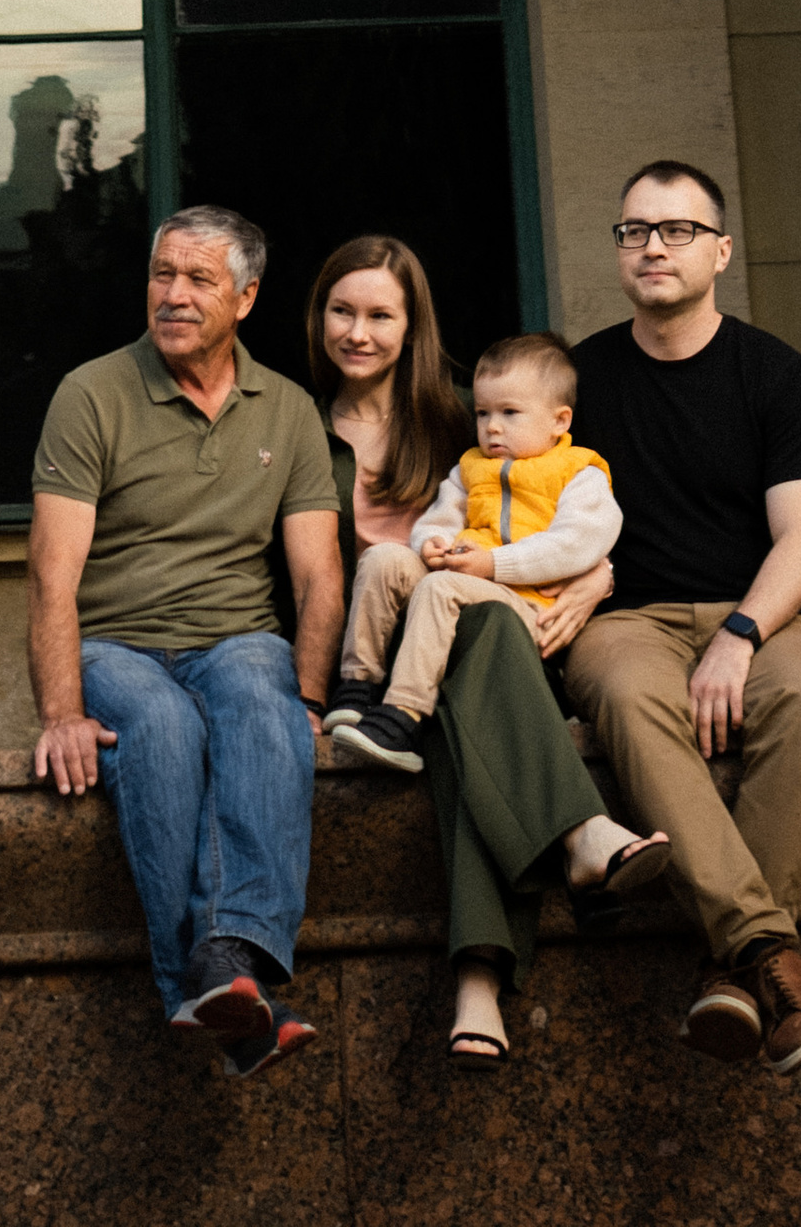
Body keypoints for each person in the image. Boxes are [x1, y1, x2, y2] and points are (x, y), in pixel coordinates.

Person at [307, 239, 666, 1069]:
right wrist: (306, 692)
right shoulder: (291, 425)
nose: (359, 332)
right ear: (317, 316)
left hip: (486, 624)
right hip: (379, 649)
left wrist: (597, 579)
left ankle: (479, 979)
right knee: (470, 704)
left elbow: (575, 523)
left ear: (413, 326)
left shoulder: (468, 418)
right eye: (342, 311)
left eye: (381, 315)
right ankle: (577, 838)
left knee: (487, 652)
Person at [28, 206, 344, 1075]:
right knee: (164, 729)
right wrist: (61, 712)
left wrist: (310, 700)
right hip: (116, 646)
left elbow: (320, 575)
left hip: (237, 637)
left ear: (245, 297)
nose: (173, 294)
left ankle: (226, 963)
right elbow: (52, 576)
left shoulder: (288, 409)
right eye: (162, 274)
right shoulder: (92, 393)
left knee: (263, 698)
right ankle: (214, 988)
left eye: (199, 279)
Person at [560, 165, 801, 1072]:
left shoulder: (777, 374)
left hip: (762, 614)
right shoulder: (581, 380)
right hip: (625, 620)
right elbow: (533, 518)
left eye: (678, 230)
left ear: (720, 251)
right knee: (629, 700)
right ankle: (769, 954)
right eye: (635, 230)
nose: (653, 246)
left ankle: (729, 968)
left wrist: (740, 636)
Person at [329, 331, 630, 776]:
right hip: (469, 579)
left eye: (509, 413)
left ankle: (404, 716)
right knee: (383, 558)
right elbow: (440, 519)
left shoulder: (579, 472)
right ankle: (358, 684)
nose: (492, 427)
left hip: (532, 607)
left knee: (440, 587)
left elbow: (577, 543)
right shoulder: (470, 468)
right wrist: (430, 543)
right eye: (483, 412)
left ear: (560, 421)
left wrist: (493, 564)